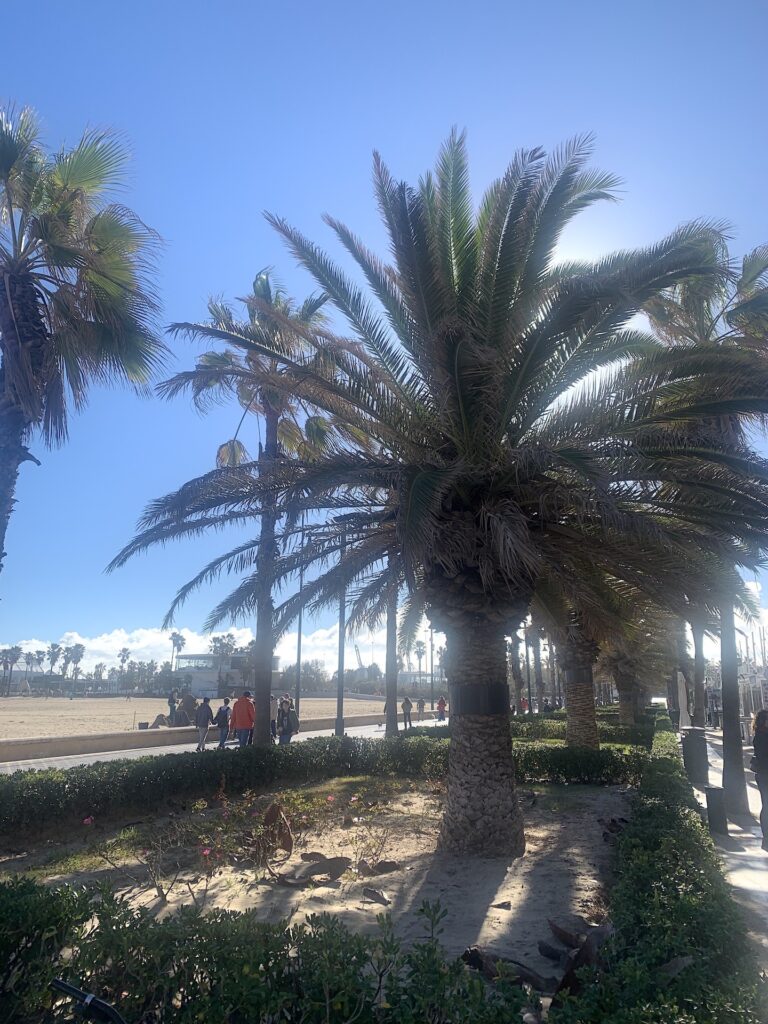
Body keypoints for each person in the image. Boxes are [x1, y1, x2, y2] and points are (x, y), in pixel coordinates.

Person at [752, 709, 768, 851]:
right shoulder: (761, 736)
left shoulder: (760, 735)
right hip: (764, 774)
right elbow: (763, 757)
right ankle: (766, 836)